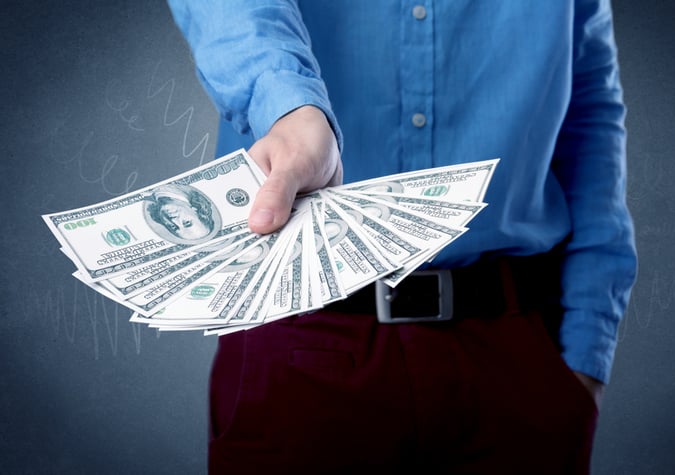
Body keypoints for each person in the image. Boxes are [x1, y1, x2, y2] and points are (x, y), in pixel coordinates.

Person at [167, 1, 637, 473]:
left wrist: (586, 350)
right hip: (298, 339)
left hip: (511, 354)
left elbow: (590, 111)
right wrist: (289, 107)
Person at [145, 184, 218, 243]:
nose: (174, 220)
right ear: (196, 210)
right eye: (187, 222)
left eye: (173, 227)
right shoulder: (181, 187)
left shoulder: (149, 197)